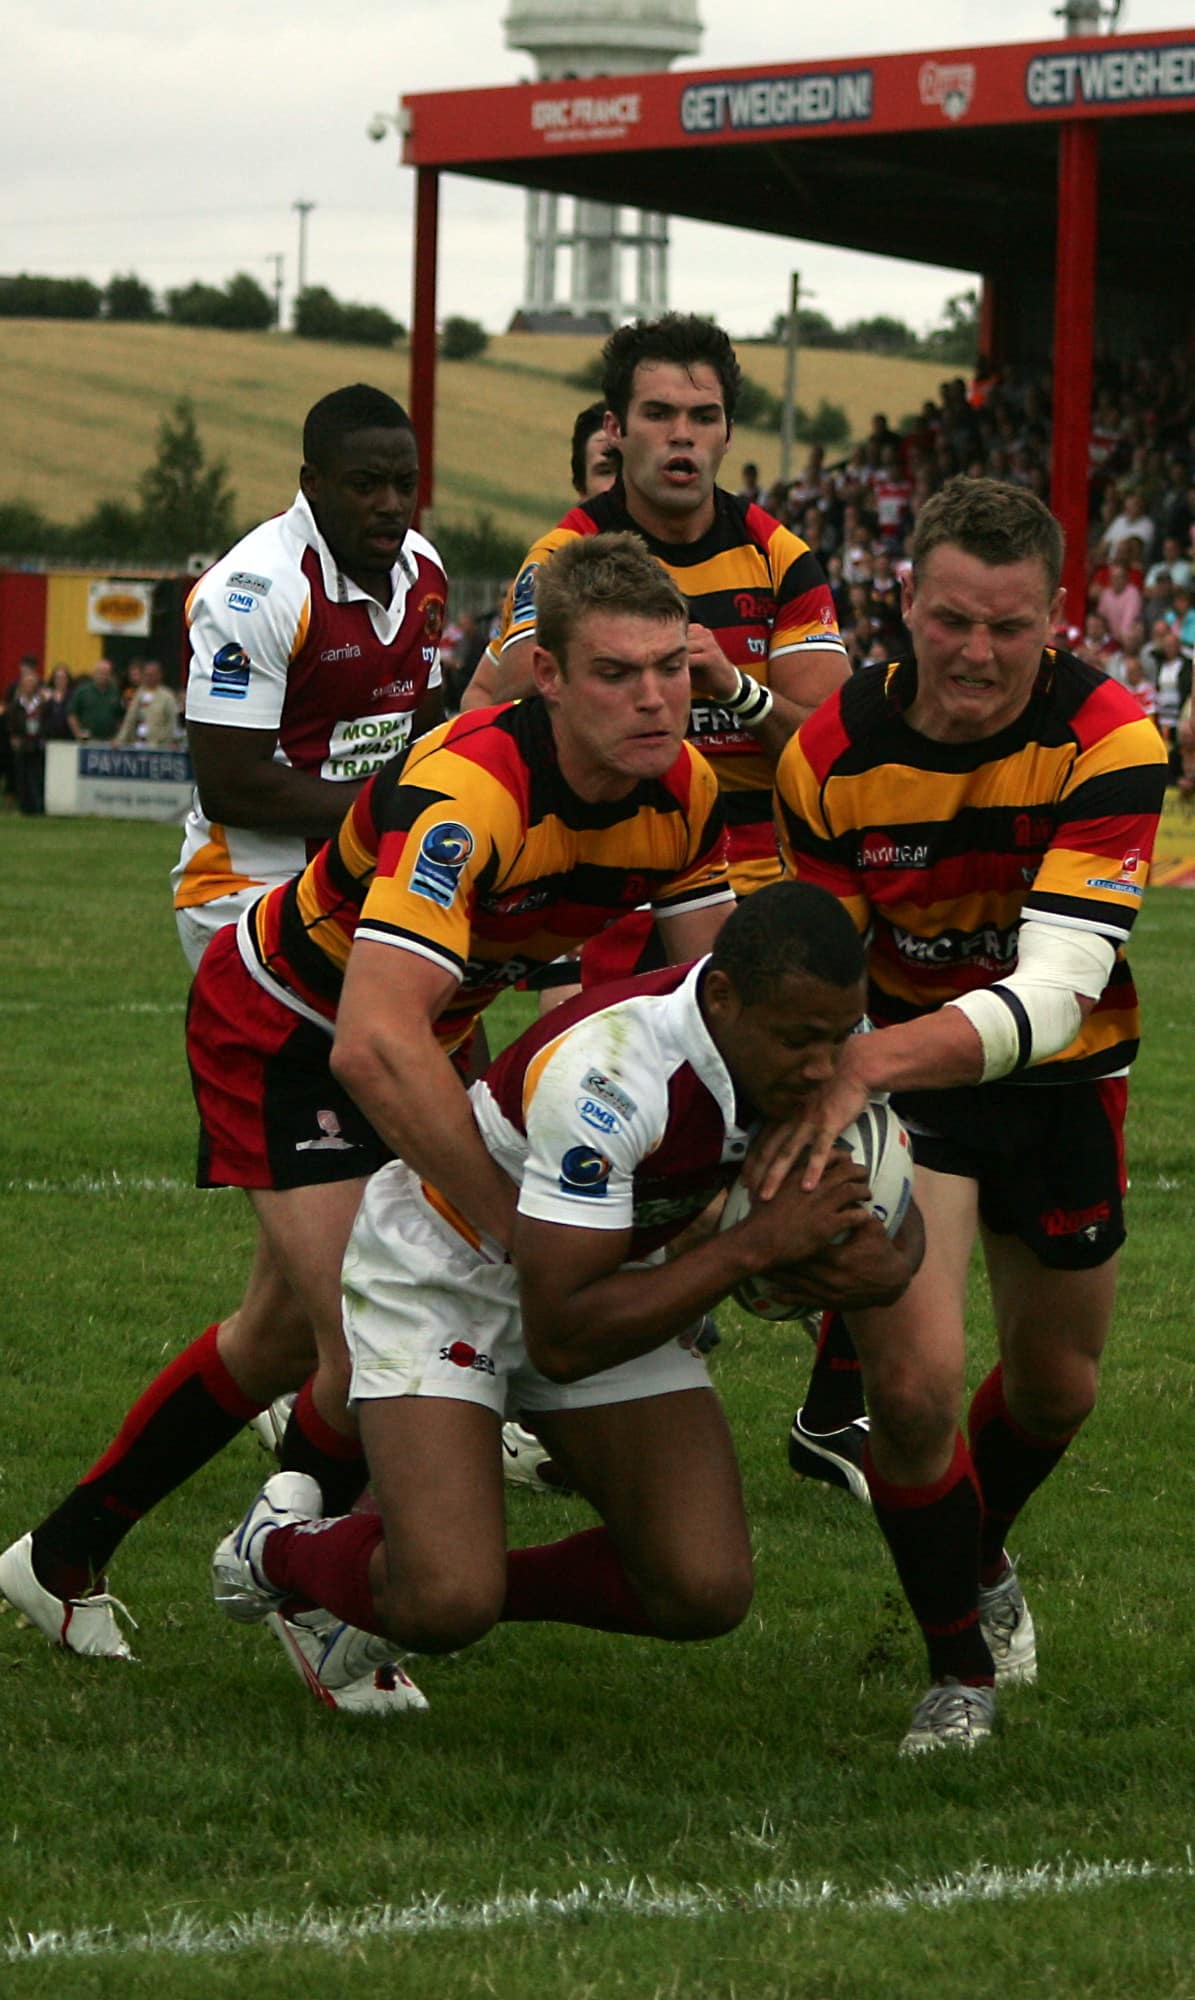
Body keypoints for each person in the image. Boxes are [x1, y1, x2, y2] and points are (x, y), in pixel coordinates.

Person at [0, 533, 734, 1706]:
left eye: (672, 669)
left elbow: (717, 1007)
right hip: (289, 1024)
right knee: (362, 1331)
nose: (654, 699)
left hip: (421, 1023)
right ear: (545, 675)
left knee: (278, 1337)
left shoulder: (686, 789)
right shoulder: (470, 787)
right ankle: (313, 1595)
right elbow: (369, 1041)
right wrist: (515, 1224)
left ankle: (59, 1553)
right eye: (615, 673)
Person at [211, 882, 922, 1688]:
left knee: (701, 1592)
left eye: (837, 1038)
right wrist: (752, 1246)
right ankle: (276, 1545)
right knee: (446, 1603)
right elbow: (562, 1337)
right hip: (450, 1276)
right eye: (800, 1041)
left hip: (608, 1279)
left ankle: (389, 1594)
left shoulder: (825, 1037)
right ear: (721, 997)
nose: (826, 1067)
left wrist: (883, 1264)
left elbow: (895, 1204)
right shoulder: (610, 1073)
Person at [770, 476, 1167, 1752]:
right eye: (950, 620)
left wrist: (870, 1062)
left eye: (1007, 626)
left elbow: (1057, 993)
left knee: (1054, 1390)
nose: (977, 652)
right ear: (905, 601)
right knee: (916, 1392)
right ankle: (957, 1669)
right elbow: (823, 975)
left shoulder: (1111, 737)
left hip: (1056, 1081)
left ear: (1053, 615)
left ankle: (971, 1551)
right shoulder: (827, 753)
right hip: (912, 1094)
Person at [460, 312, 847, 920]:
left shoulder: (780, 559)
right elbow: (502, 724)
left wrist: (736, 693)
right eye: (658, 414)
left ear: (728, 434)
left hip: (758, 887)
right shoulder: (561, 558)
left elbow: (834, 754)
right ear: (615, 430)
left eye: (703, 416)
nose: (682, 435)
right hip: (610, 883)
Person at [169, 383, 446, 973]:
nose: (392, 504)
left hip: (373, 870)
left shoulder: (425, 570)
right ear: (312, 483)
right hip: (250, 889)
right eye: (365, 485)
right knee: (395, 1048)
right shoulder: (254, 593)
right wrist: (391, 811)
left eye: (406, 484)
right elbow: (230, 784)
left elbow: (423, 730)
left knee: (445, 1048)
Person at [5, 658, 48, 814]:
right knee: (22, 776)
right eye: (26, 683)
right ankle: (24, 807)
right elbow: (10, 722)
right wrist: (14, 736)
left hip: (37, 743)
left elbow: (46, 721)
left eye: (32, 683)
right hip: (22, 743)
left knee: (37, 776)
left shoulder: (42, 704)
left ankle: (37, 807)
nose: (29, 687)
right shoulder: (16, 705)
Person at [114, 659, 179, 748]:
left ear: (159, 675)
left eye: (152, 675)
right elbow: (130, 719)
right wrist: (120, 739)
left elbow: (172, 722)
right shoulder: (139, 694)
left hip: (158, 746)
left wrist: (167, 742)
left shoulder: (167, 696)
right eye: (147, 675)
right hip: (138, 744)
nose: (149, 678)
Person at [68, 658, 124, 744]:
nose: (103, 676)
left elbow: (120, 718)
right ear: (94, 673)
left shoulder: (115, 692)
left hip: (109, 742)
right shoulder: (82, 691)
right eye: (100, 673)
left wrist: (118, 737)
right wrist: (78, 734)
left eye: (106, 673)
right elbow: (72, 715)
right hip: (88, 741)